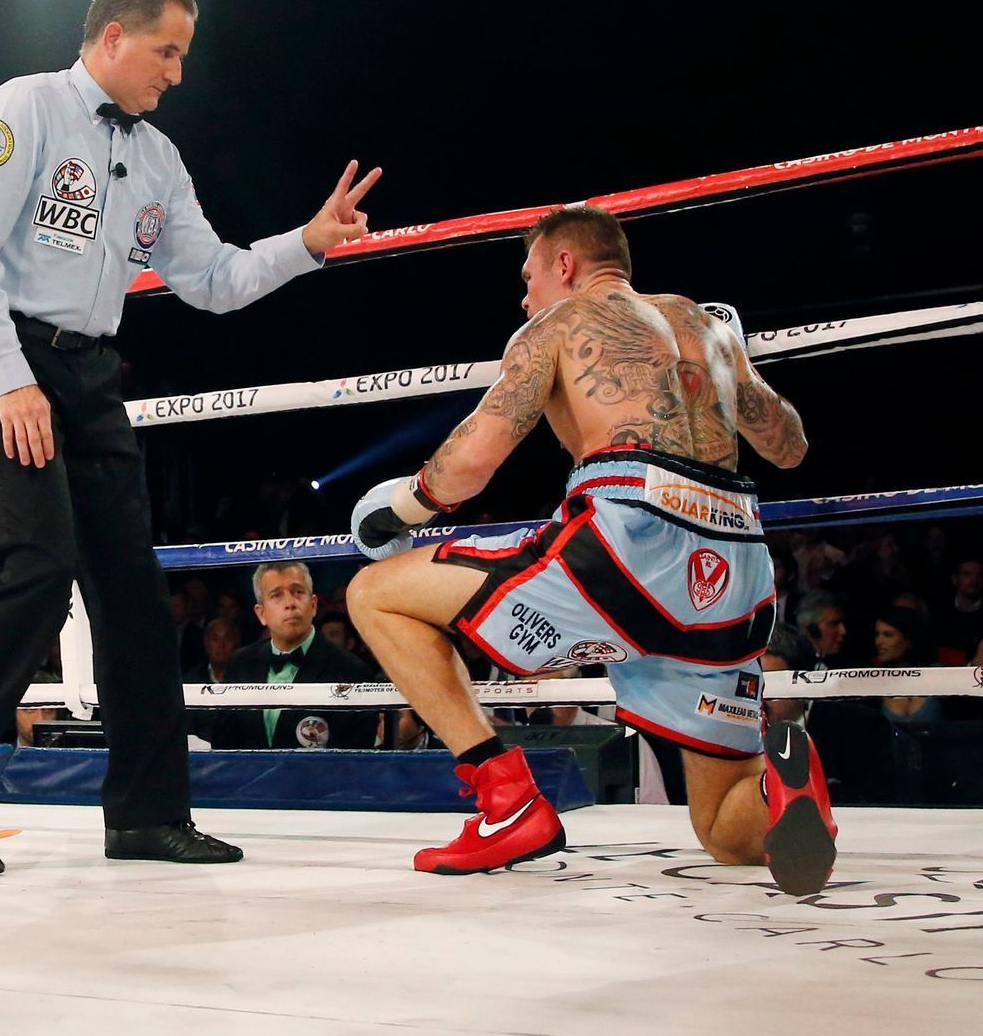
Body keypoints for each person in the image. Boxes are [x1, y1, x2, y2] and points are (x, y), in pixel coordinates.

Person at [0, 0, 384, 874]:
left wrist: (308, 243)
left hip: (89, 372)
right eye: (166, 51)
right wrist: (10, 381)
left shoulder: (158, 158)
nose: (176, 72)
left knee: (132, 593)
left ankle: (145, 815)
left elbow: (215, 280)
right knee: (40, 561)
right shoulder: (21, 109)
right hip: (0, 351)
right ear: (114, 37)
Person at [345, 205, 837, 896]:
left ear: (565, 263)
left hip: (628, 543)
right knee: (725, 832)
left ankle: (508, 803)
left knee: (374, 594)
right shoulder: (710, 329)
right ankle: (780, 795)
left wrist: (399, 509)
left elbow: (471, 464)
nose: (524, 297)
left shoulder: (557, 324)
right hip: (738, 571)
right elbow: (789, 447)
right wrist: (732, 366)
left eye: (528, 277)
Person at [209, 563, 378, 751]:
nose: (290, 603)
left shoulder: (351, 670)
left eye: (298, 592)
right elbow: (223, 747)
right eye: (276, 595)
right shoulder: (241, 663)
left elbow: (354, 759)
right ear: (261, 613)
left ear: (313, 605)